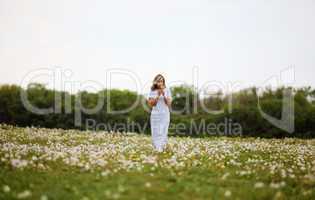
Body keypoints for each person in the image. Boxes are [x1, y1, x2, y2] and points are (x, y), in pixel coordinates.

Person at [146, 74, 172, 152]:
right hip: (155, 114)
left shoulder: (167, 90)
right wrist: (157, 95)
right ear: (155, 82)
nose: (160, 82)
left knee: (163, 130)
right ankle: (157, 147)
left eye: (161, 81)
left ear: (163, 82)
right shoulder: (152, 91)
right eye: (158, 81)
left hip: (165, 114)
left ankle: (161, 146)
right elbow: (151, 104)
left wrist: (164, 95)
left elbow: (169, 104)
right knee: (156, 130)